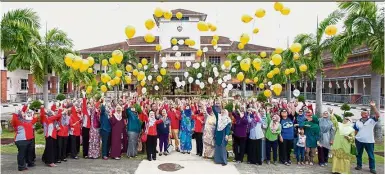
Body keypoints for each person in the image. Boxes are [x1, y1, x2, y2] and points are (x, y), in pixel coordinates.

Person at [353, 101, 380, 174]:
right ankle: (359, 165)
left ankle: (372, 168)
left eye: (365, 113)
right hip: (359, 140)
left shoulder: (372, 121)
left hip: (369, 141)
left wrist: (373, 106)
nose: (363, 114)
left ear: (368, 114)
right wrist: (354, 138)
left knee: (371, 155)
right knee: (358, 154)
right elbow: (355, 131)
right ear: (361, 114)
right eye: (362, 113)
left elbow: (377, 115)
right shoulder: (357, 122)